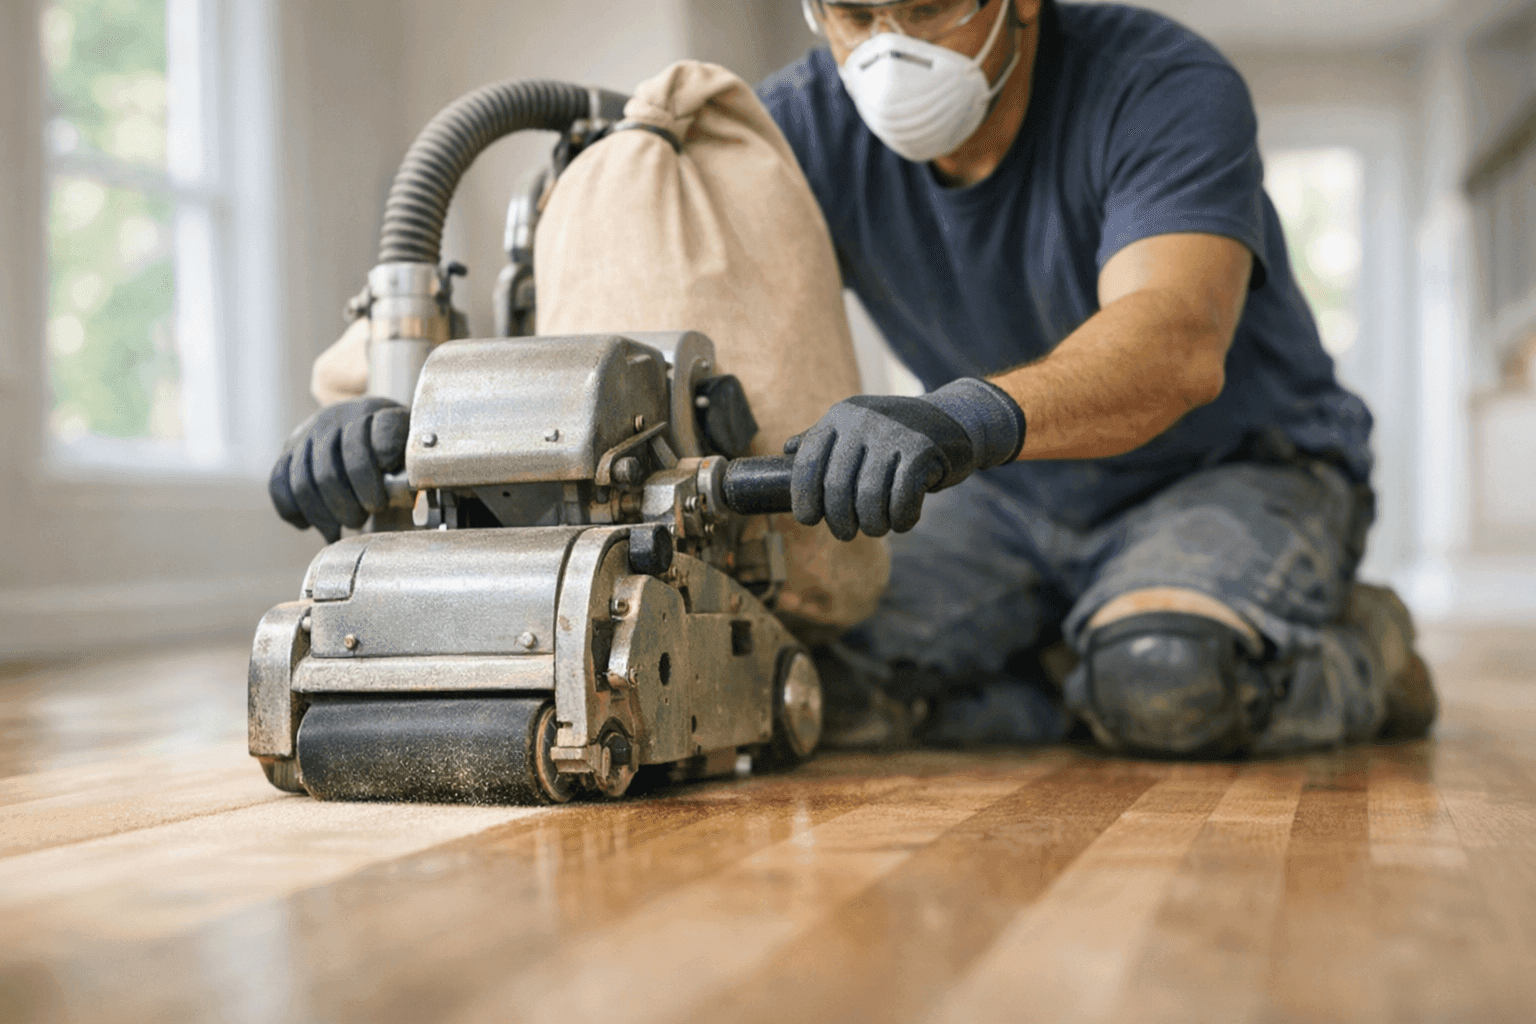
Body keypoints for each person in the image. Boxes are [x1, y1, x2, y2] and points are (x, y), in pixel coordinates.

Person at [753, 0, 1438, 754]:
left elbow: (1174, 343)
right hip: (1009, 493)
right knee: (795, 680)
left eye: (928, 8)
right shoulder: (794, 127)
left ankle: (1365, 651)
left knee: (1167, 679)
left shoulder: (1161, 85)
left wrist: (956, 420)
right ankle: (1091, 667)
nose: (889, 52)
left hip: (1237, 466)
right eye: (854, 15)